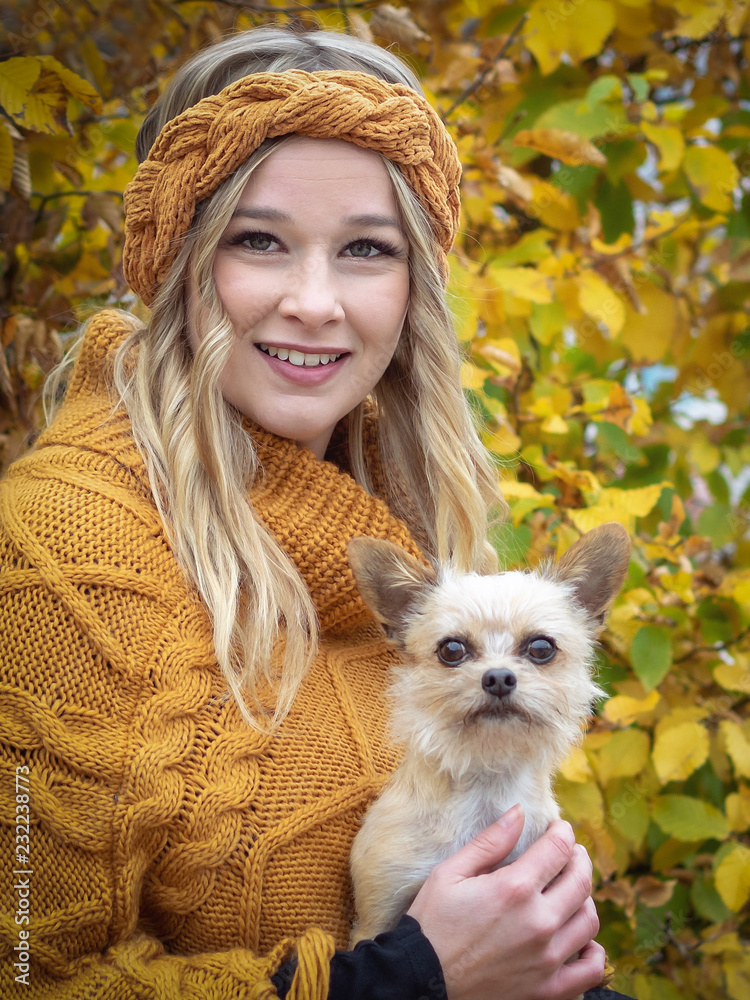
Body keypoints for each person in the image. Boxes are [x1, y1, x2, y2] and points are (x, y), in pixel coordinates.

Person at [0, 25, 636, 1000]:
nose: (315, 301)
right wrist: (406, 978)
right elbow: (26, 976)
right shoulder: (55, 554)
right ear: (175, 260)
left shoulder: (396, 524)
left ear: (412, 287)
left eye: (366, 250)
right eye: (259, 240)